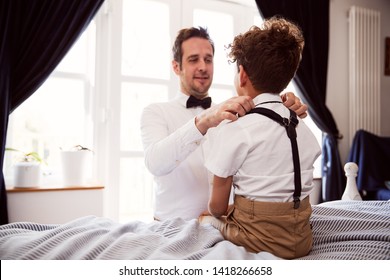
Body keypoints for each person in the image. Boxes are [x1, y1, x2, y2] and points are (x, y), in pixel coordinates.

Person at [140, 25, 309, 222]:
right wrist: (203, 122)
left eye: (208, 59)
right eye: (194, 59)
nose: (203, 66)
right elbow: (155, 163)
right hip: (170, 227)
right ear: (176, 66)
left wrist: (284, 104)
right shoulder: (155, 112)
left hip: (225, 228)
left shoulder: (234, 110)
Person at [198, 17, 321, 259]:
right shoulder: (302, 127)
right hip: (302, 239)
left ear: (242, 75)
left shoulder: (236, 129)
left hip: (258, 239)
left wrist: (213, 215)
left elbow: (218, 207)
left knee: (206, 219)